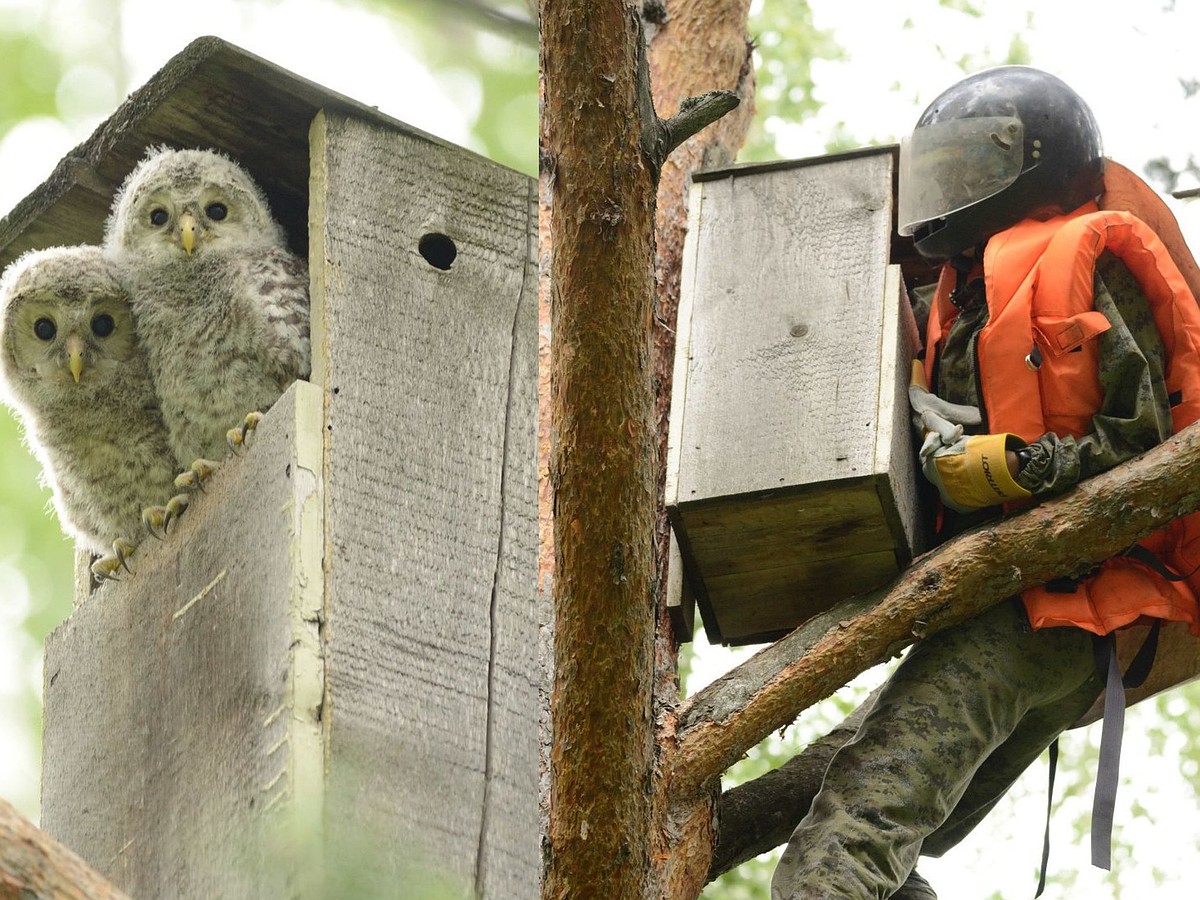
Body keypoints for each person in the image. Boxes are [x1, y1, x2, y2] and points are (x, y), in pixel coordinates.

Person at [770, 65, 1200, 899]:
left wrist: (1018, 468)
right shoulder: (958, 294)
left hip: (1049, 604)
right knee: (887, 854)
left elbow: (1148, 453)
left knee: (846, 840)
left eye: (978, 167)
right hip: (1031, 628)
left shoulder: (1085, 259)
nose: (955, 190)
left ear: (1036, 165)